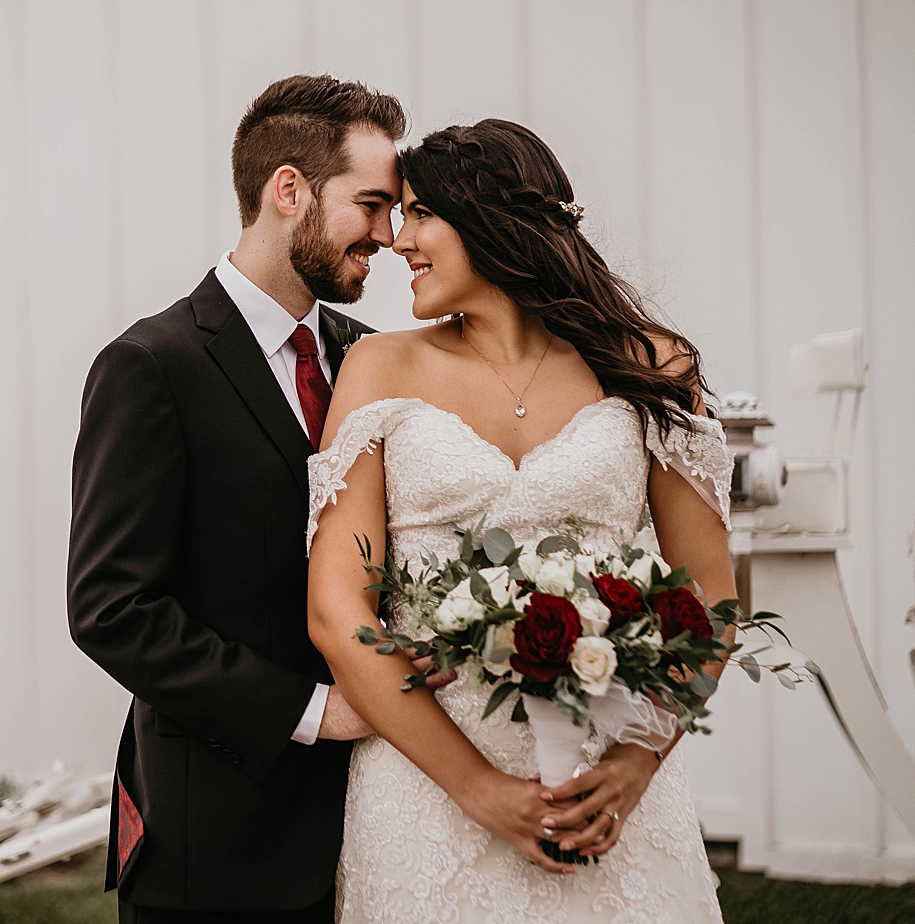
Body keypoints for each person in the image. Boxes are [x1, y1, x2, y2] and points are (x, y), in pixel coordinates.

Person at [306, 119, 734, 922]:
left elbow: (711, 598)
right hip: (425, 796)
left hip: (604, 787)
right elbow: (336, 609)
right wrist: (479, 788)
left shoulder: (650, 364)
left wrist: (637, 761)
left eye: (422, 212)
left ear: (493, 220)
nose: (399, 240)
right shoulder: (378, 367)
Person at [68, 75, 437, 922]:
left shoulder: (369, 357)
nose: (388, 236)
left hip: (376, 818)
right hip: (218, 838)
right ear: (288, 190)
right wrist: (315, 710)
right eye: (372, 205)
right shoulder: (151, 366)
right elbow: (112, 608)